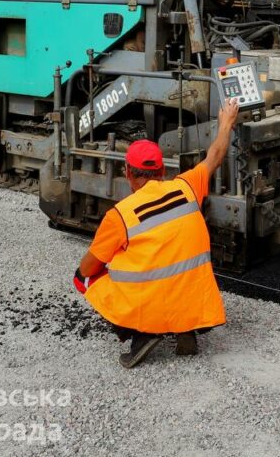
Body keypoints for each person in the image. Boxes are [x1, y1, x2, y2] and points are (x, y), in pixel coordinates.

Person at [74, 98, 240, 367]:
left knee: (83, 278)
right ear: (162, 171)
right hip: (192, 300)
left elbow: (88, 267)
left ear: (127, 172)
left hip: (151, 306)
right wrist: (227, 123)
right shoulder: (187, 187)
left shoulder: (120, 215)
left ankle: (141, 333)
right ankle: (184, 328)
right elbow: (215, 157)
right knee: (176, 267)